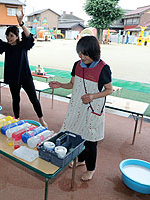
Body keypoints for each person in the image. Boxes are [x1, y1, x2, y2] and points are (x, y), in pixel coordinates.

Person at [49, 36, 113, 181]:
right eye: (79, 53)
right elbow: (72, 84)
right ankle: (81, 160)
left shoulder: (104, 68)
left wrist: (93, 96)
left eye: (85, 54)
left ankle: (91, 169)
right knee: (77, 136)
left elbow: (109, 90)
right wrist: (60, 84)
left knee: (90, 141)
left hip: (92, 109)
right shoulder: (77, 65)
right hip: (77, 107)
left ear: (94, 52)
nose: (81, 57)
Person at [0, 11, 47, 127]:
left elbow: (29, 37)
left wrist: (21, 23)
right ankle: (16, 119)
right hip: (13, 78)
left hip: (25, 76)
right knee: (15, 100)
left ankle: (41, 119)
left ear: (17, 36)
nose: (9, 38)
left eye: (11, 36)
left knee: (33, 99)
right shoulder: (6, 47)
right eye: (7, 36)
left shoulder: (23, 46)